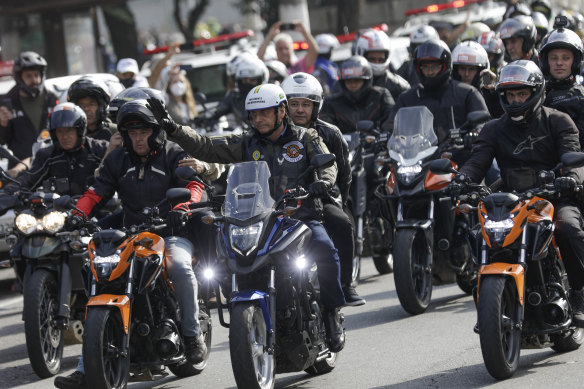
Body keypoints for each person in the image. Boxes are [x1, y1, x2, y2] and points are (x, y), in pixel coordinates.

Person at [155, 83, 346, 353]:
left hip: (298, 217)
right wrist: (173, 129)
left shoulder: (305, 138)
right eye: (254, 115)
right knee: (224, 262)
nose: (258, 119)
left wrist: (324, 182)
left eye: (264, 113)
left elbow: (327, 164)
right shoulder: (246, 141)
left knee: (325, 248)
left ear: (281, 112)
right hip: (260, 220)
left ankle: (331, 313)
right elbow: (206, 147)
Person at [54, 98, 209, 389]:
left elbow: (194, 186)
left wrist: (184, 208)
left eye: (144, 131)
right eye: (132, 132)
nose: (138, 138)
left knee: (180, 267)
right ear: (124, 135)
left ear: (155, 131)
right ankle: (86, 366)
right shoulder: (117, 160)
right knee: (100, 276)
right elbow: (96, 191)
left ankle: (192, 336)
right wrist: (77, 214)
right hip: (130, 234)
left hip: (169, 232)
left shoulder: (173, 153)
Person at [458, 60, 584, 328]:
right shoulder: (493, 128)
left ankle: (579, 293)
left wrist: (570, 179)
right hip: (511, 200)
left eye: (521, 94)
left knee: (569, 228)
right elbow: (476, 162)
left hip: (552, 197)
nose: (515, 101)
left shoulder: (558, 120)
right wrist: (461, 180)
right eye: (510, 95)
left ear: (536, 93)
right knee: (480, 233)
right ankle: (490, 297)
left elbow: (574, 160)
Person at [281, 72, 364, 306]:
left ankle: (346, 286)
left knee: (343, 222)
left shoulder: (330, 133)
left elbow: (344, 173)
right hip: (278, 202)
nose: (299, 110)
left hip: (318, 199)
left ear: (316, 106)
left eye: (305, 105)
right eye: (293, 104)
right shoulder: (275, 133)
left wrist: (339, 200)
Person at [388, 39, 489, 166]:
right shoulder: (407, 98)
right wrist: (384, 138)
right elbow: (391, 127)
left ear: (446, 65)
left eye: (435, 66)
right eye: (425, 67)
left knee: (490, 174)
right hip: (418, 164)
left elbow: (483, 123)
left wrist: (475, 133)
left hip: (460, 161)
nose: (430, 72)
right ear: (418, 68)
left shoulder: (467, 93)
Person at [3, 102, 108, 197]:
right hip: (57, 215)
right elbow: (29, 178)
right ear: (54, 134)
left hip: (96, 212)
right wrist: (6, 192)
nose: (64, 136)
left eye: (69, 130)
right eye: (60, 131)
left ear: (79, 130)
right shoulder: (47, 155)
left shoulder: (99, 150)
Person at [0, 51, 58, 178]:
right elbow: (2, 141)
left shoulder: (53, 98)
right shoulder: (6, 102)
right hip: (19, 173)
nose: (35, 80)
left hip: (52, 168)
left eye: (37, 75)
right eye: (29, 76)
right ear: (19, 77)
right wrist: (3, 124)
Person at [320, 55, 394, 134]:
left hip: (378, 144)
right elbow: (325, 131)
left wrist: (383, 134)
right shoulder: (331, 102)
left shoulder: (380, 95)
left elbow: (392, 121)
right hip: (343, 145)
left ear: (366, 81)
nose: (353, 84)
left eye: (356, 80)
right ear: (342, 82)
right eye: (348, 81)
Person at [539, 21, 584, 149]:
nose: (559, 63)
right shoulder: (537, 92)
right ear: (545, 62)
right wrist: (491, 95)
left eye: (565, 58)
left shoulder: (580, 97)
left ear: (575, 62)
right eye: (554, 58)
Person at [199, 55, 268, 130]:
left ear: (261, 79)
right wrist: (206, 116)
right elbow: (219, 109)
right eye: (244, 80)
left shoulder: (270, 96)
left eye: (252, 80)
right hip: (247, 138)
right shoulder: (234, 97)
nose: (247, 84)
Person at [354, 29, 410, 101]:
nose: (377, 62)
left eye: (381, 59)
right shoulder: (350, 84)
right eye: (372, 59)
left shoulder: (400, 86)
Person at [67, 76, 116, 141]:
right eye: (81, 105)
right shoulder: (68, 137)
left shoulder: (115, 132)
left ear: (101, 106)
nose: (86, 109)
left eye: (91, 104)